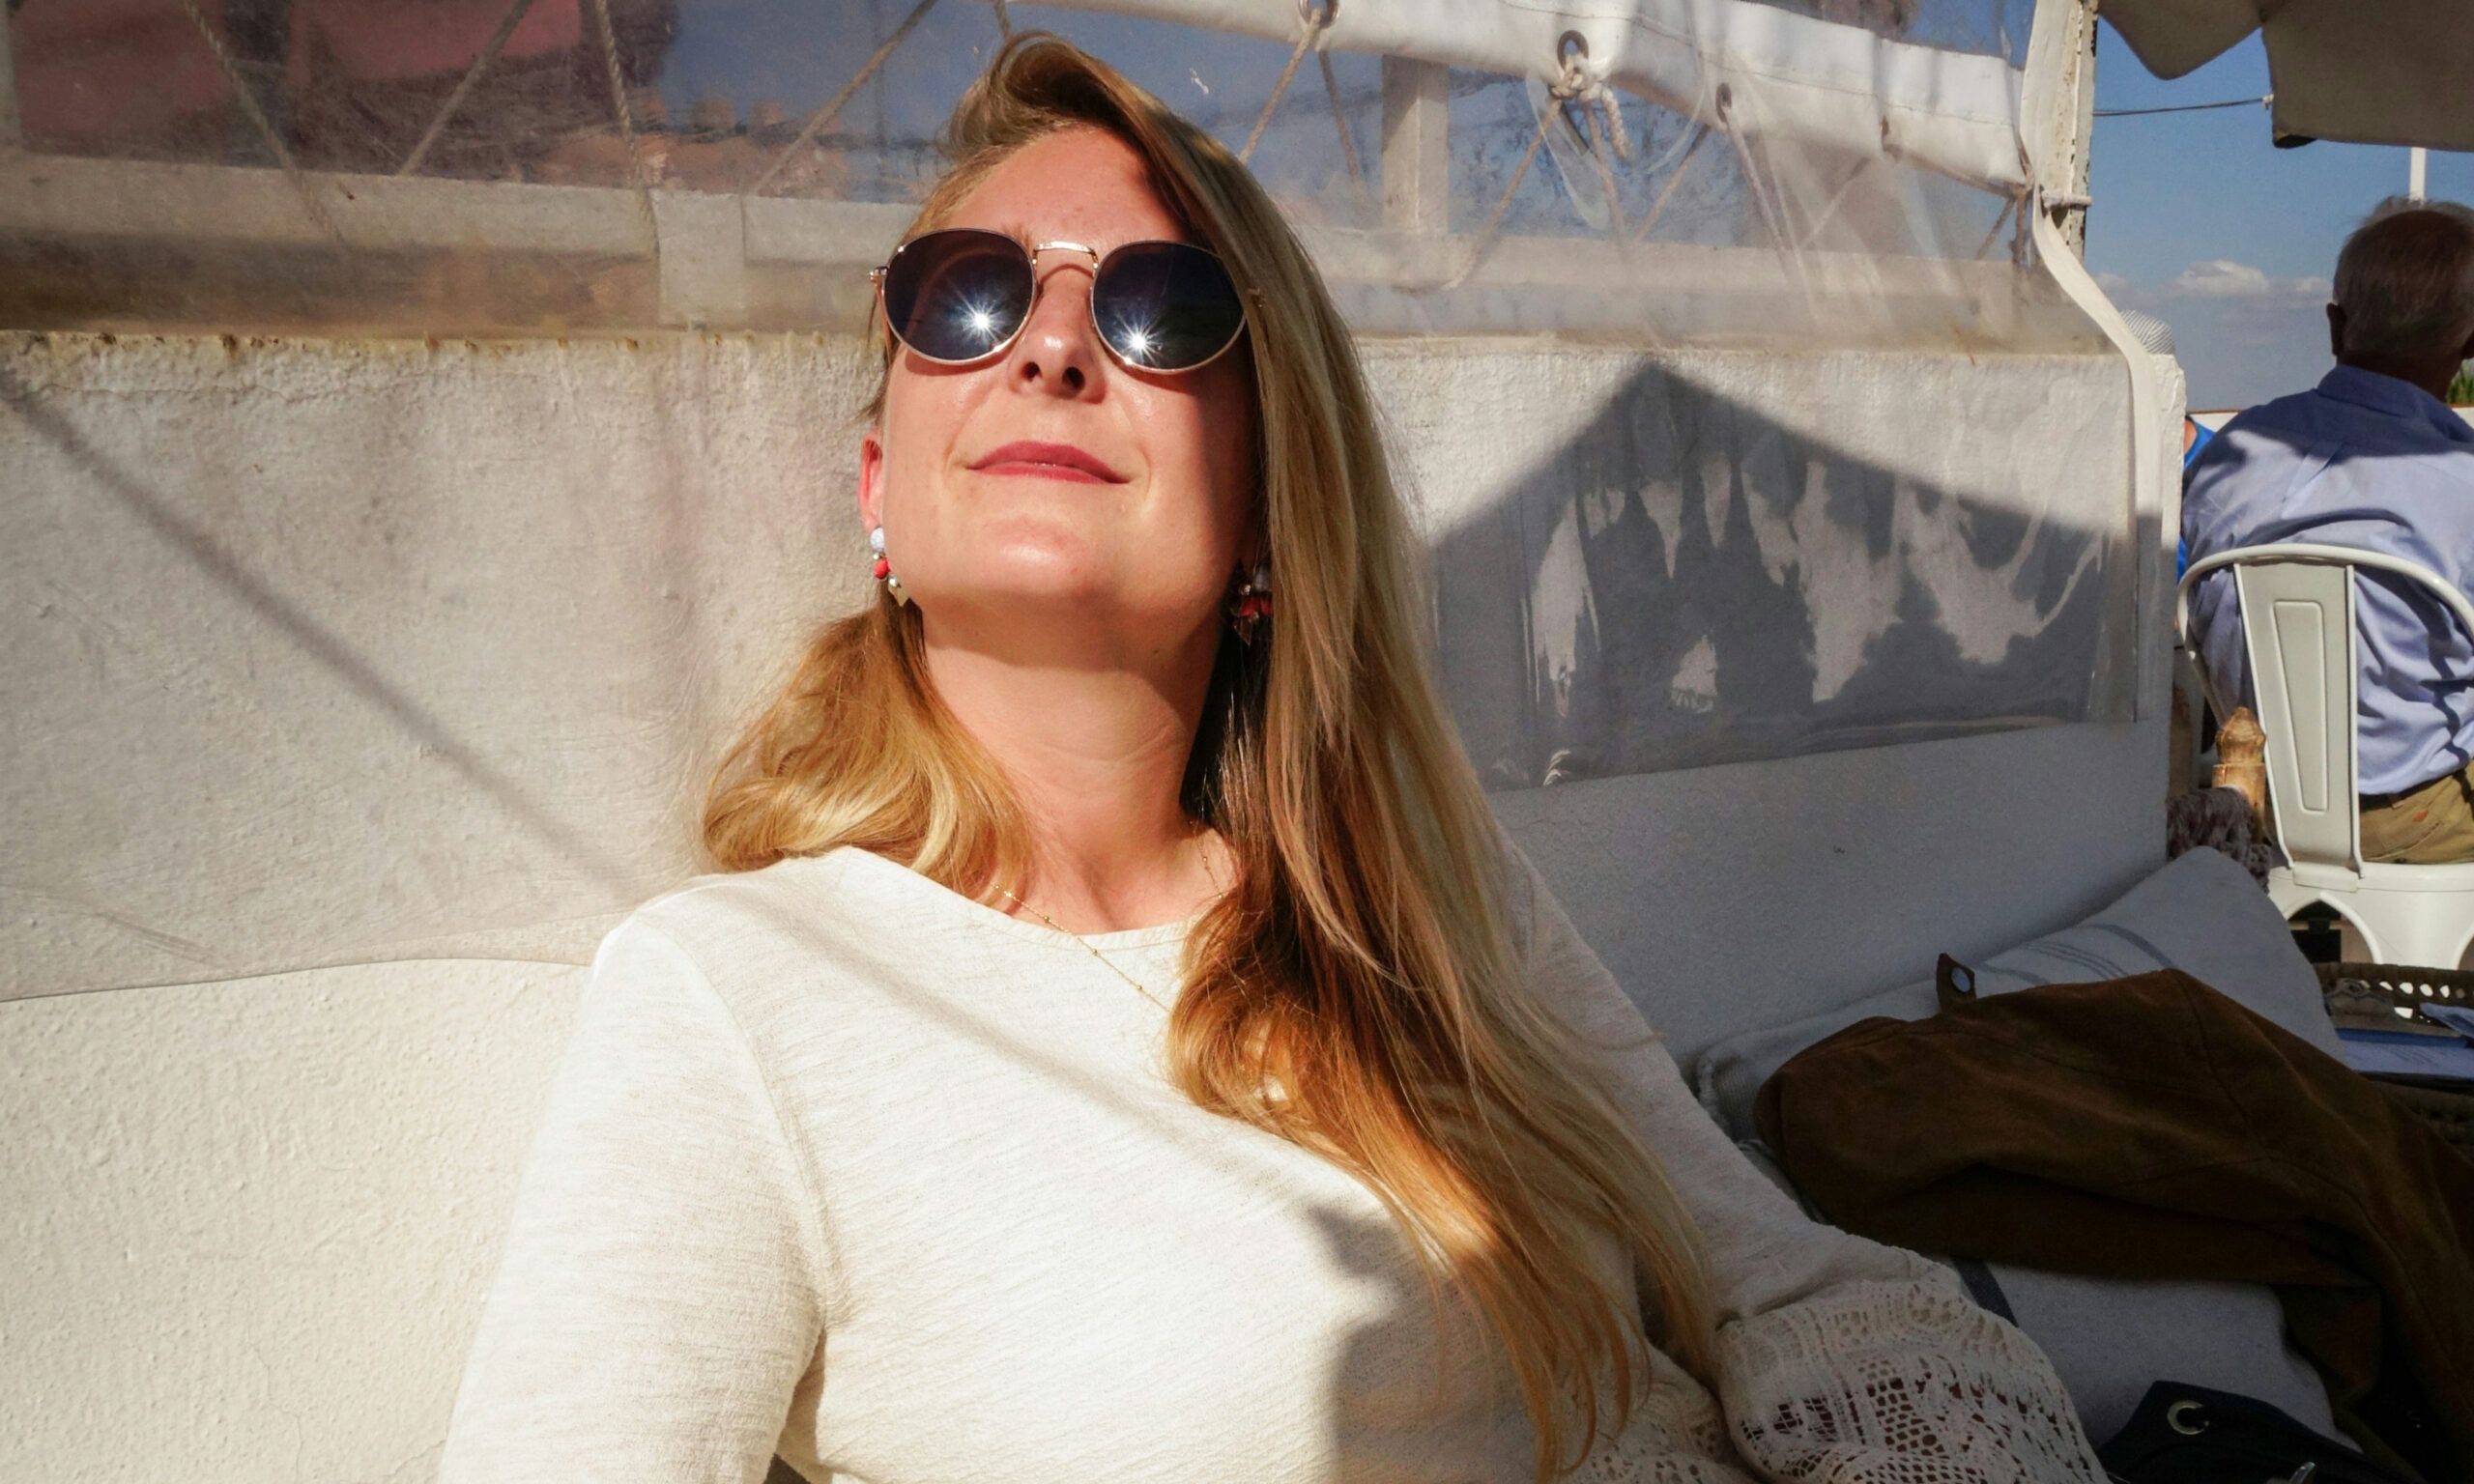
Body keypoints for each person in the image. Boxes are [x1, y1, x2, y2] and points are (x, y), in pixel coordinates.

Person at [438, 36, 2100, 1484]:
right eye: (969, 291)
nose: (1051, 347)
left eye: (1161, 309)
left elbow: (1778, 1281)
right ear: (879, 485)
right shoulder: (739, 999)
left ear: (1268, 506)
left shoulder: (1424, 896)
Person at [2182, 197, 2474, 864]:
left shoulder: (2233, 449)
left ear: (2336, 327)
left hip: (2252, 795)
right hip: (2410, 817)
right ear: (2470, 344)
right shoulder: (2463, 479)